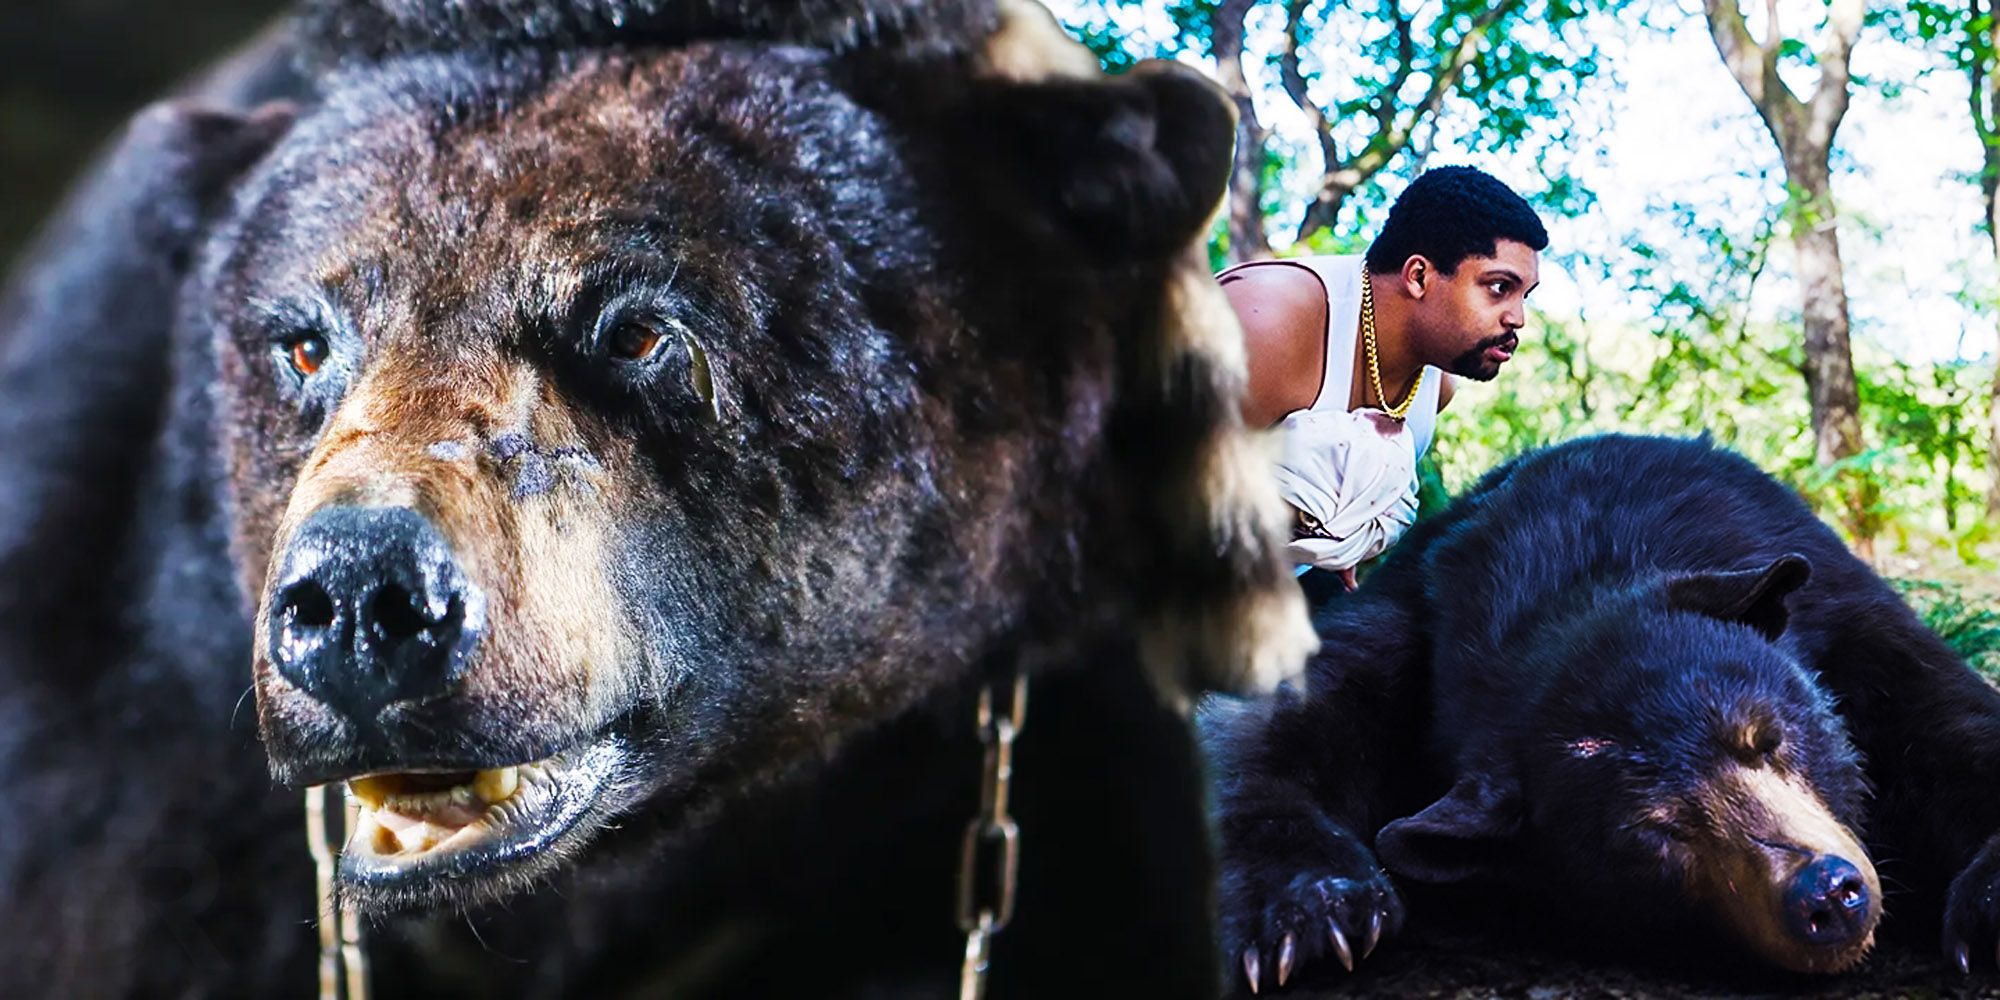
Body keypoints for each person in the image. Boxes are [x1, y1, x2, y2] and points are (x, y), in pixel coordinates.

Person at [1219, 165, 1547, 592]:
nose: (1517, 318)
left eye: (1525, 295)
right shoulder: (1269, 323)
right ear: (1418, 276)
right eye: (1499, 287)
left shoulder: (1436, 387)